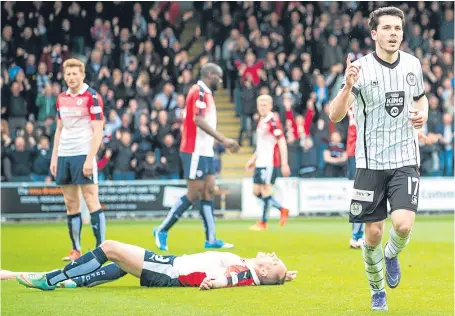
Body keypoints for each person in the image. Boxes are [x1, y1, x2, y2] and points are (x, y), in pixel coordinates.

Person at [329, 7, 428, 311]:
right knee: (372, 234)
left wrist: (423, 112)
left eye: (397, 28)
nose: (393, 34)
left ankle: (391, 254)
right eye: (386, 28)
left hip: (405, 158)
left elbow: (420, 97)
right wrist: (346, 87)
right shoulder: (358, 69)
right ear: (374, 34)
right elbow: (335, 115)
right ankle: (377, 290)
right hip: (370, 163)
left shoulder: (413, 64)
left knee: (403, 224)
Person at [154, 63, 240, 251]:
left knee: (208, 190)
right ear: (210, 74)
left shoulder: (206, 93)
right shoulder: (199, 92)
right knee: (194, 193)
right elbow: (198, 120)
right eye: (219, 76)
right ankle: (162, 229)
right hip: (194, 151)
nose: (221, 81)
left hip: (205, 151)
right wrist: (223, 139)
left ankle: (211, 239)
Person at [12, 240, 297, 290]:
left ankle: (50, 278)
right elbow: (253, 275)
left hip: (170, 270)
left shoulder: (244, 273)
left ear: (261, 271)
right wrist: (283, 276)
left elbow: (229, 279)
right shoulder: (252, 270)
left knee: (110, 248)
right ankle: (74, 281)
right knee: (122, 261)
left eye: (272, 260)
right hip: (171, 266)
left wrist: (215, 284)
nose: (271, 254)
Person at [50, 58, 106, 261]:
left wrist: (90, 159)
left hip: (83, 152)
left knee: (91, 199)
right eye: (68, 74)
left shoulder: (92, 96)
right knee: (70, 202)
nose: (71, 78)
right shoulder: (61, 98)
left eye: (75, 74)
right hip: (65, 153)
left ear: (82, 75)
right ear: (64, 76)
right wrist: (54, 156)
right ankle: (76, 250)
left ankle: (101, 249)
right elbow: (59, 129)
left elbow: (98, 129)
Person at [245, 95, 290, 231]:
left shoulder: (273, 121)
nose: (263, 108)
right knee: (256, 192)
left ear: (270, 106)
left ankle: (263, 223)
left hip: (268, 163)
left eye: (265, 105)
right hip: (259, 162)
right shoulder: (262, 121)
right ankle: (282, 209)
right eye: (260, 105)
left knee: (265, 191)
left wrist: (284, 163)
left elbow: (281, 142)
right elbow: (260, 146)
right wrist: (252, 160)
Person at [346, 107, 364, 249]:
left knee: (362, 195)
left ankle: (358, 235)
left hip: (360, 151)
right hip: (357, 152)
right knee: (360, 195)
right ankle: (357, 235)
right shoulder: (352, 101)